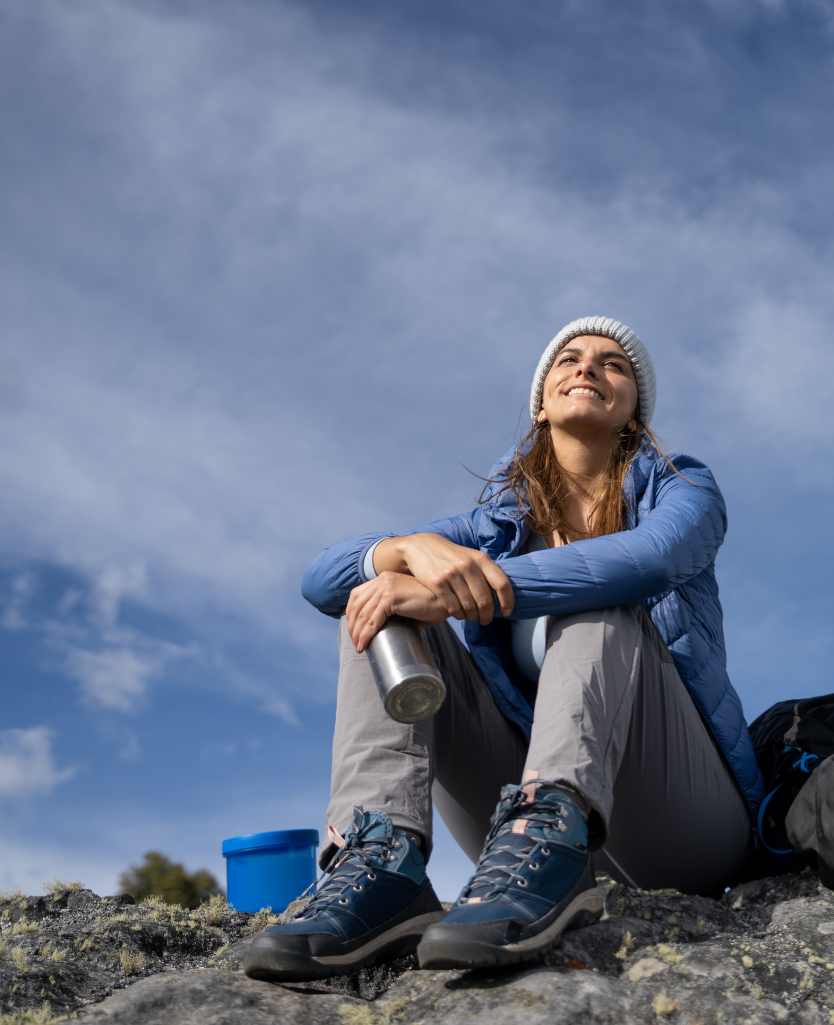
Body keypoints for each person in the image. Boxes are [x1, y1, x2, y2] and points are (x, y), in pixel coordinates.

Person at [244, 317, 761, 980]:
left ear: (634, 411)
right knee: (381, 602)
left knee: (596, 586)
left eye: (613, 365)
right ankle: (380, 861)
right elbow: (321, 580)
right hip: (517, 838)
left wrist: (457, 591)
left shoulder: (683, 487)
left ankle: (555, 830)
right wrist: (398, 553)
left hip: (683, 825)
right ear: (541, 405)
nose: (588, 368)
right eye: (568, 359)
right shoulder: (491, 527)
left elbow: (650, 560)